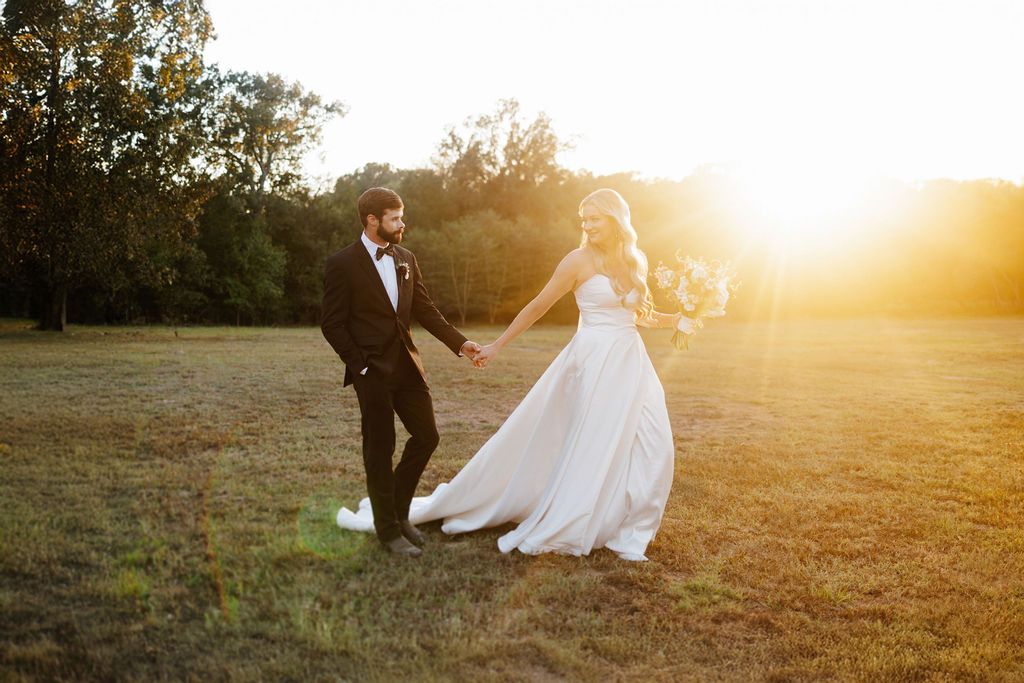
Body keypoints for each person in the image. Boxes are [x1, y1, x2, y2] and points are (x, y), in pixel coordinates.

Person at [336, 188, 679, 561]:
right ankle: (393, 525)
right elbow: (537, 306)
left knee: (654, 443)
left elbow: (640, 314)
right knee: (594, 442)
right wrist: (497, 345)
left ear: (615, 219)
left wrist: (682, 317)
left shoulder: (634, 259)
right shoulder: (577, 260)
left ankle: (630, 521)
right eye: (584, 220)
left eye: (594, 219)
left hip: (632, 363)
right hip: (594, 361)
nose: (588, 226)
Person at [321, 187, 481, 558]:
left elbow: (424, 309)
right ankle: (389, 530)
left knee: (427, 436)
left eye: (401, 216)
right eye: (394, 218)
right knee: (380, 450)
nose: (401, 223)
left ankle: (398, 511)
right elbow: (332, 323)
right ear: (372, 220)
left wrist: (461, 344)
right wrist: (360, 365)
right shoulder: (342, 263)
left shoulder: (405, 258)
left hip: (408, 366)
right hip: (371, 372)